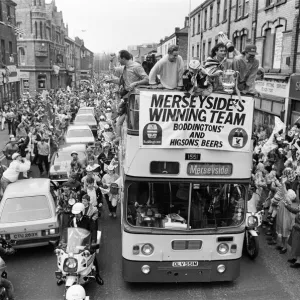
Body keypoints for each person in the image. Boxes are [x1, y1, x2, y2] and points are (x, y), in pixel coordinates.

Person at [69, 203, 103, 285]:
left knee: (92, 258)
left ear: (82, 212)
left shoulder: (88, 220)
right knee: (68, 256)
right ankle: (65, 274)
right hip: (76, 242)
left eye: (78, 213)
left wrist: (93, 242)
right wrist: (65, 241)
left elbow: (94, 231)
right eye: (75, 214)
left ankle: (97, 275)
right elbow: (69, 231)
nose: (76, 215)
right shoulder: (72, 221)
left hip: (86, 242)